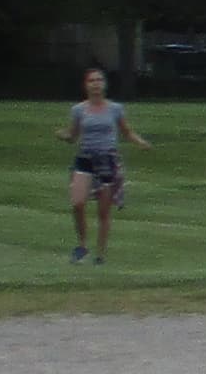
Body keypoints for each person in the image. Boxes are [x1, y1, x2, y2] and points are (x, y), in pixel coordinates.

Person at [62, 65, 145, 264]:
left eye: (99, 80)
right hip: (85, 159)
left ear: (104, 84)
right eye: (92, 81)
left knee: (103, 210)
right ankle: (82, 245)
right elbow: (73, 136)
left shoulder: (115, 109)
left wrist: (140, 142)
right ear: (86, 85)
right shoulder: (79, 110)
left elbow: (126, 132)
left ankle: (100, 254)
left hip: (107, 160)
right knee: (78, 203)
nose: (96, 84)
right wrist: (63, 135)